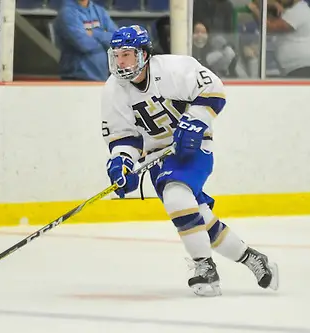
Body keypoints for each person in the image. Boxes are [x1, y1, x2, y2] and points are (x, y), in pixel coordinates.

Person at [101, 25, 279, 296]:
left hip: (191, 146)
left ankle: (204, 267)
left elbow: (214, 89)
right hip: (157, 157)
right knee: (199, 217)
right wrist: (122, 163)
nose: (121, 62)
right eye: (117, 55)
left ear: (144, 54)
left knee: (175, 196)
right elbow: (124, 137)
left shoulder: (173, 68)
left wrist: (195, 121)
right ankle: (252, 258)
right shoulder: (114, 90)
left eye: (127, 54)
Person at [53, 0, 118, 81]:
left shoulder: (100, 11)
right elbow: (83, 44)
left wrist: (93, 33)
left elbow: (117, 40)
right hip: (77, 77)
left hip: (102, 76)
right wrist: (104, 36)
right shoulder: (67, 13)